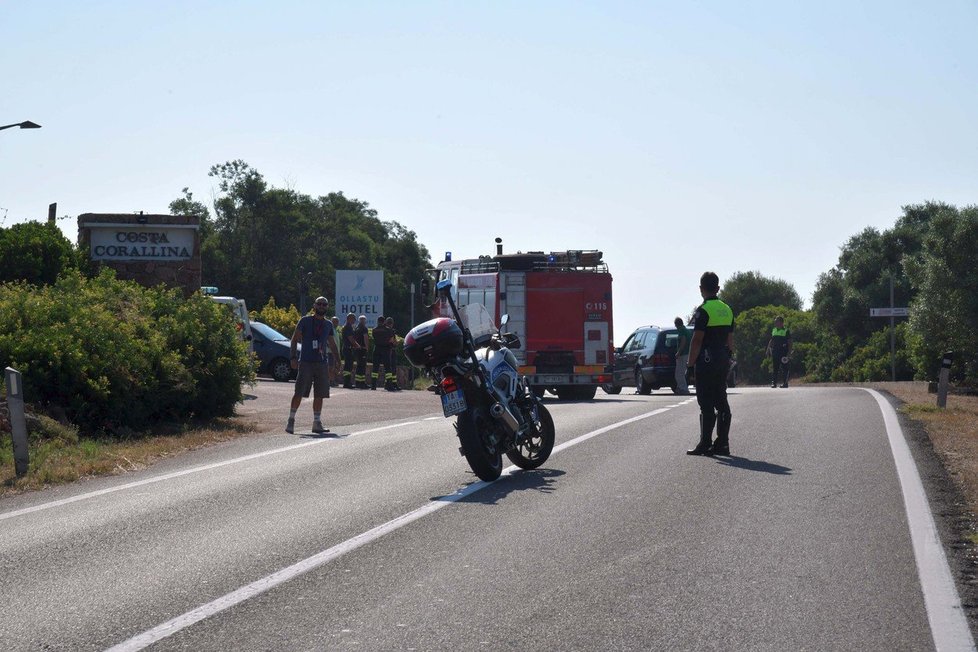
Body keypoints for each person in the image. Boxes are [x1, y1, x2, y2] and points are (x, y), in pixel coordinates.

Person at [686, 272, 735, 456]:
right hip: (722, 359)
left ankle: (705, 443)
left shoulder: (703, 311)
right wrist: (728, 358)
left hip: (706, 362)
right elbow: (730, 339)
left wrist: (690, 366)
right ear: (718, 288)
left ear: (701, 289)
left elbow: (697, 340)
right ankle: (723, 443)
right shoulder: (727, 309)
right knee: (721, 400)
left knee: (706, 403)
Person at [286, 297, 340, 434]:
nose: (321, 306)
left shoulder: (328, 325)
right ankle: (291, 420)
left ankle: (317, 423)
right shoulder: (305, 321)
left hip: (322, 363)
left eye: (324, 304)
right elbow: (294, 339)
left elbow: (332, 344)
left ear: (327, 307)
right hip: (306, 362)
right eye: (319, 304)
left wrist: (338, 361)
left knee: (320, 394)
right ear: (314, 305)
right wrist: (292, 357)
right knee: (299, 392)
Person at [766, 316, 792, 388]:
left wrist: (789, 353)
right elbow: (772, 340)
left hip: (784, 352)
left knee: (784, 368)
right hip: (775, 351)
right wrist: (768, 349)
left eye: (776, 321)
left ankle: (785, 383)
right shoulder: (774, 330)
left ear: (781, 322)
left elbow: (790, 342)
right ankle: (774, 383)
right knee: (775, 368)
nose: (775, 323)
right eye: (775, 321)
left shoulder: (786, 331)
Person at [370, 316, 391, 390]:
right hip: (385, 349)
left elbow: (374, 338)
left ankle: (373, 385)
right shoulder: (388, 330)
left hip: (377, 349)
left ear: (378, 321)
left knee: (375, 368)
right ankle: (389, 384)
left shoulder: (374, 330)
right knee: (387, 368)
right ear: (384, 321)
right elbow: (391, 339)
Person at [674, 317, 691, 395]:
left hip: (683, 354)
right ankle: (681, 388)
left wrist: (678, 352)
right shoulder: (687, 330)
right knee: (682, 373)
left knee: (679, 373)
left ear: (676, 324)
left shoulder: (681, 330)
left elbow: (683, 341)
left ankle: (683, 389)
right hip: (688, 353)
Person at [341, 312, 358, 389]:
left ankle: (347, 382)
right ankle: (347, 383)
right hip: (348, 348)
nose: (354, 320)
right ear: (349, 319)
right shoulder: (348, 327)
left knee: (348, 366)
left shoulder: (347, 326)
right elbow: (350, 338)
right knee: (348, 366)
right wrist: (357, 345)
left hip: (347, 348)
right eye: (353, 318)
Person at [385, 316, 401, 391]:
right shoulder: (390, 331)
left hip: (387, 351)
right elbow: (393, 341)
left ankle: (389, 383)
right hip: (391, 350)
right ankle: (391, 384)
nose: (390, 325)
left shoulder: (385, 330)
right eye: (390, 323)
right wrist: (397, 342)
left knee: (390, 368)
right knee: (392, 368)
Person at [353, 314, 369, 388]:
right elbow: (365, 338)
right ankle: (362, 382)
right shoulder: (364, 328)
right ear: (364, 321)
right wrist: (367, 347)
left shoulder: (356, 328)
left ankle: (357, 382)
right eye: (364, 320)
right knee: (362, 366)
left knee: (359, 365)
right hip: (362, 349)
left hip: (356, 349)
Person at [329, 316, 342, 387]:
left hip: (335, 352)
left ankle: (332, 380)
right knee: (330, 367)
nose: (336, 323)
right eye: (334, 321)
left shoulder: (335, 330)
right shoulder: (330, 329)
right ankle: (330, 381)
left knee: (334, 367)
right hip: (330, 351)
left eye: (337, 322)